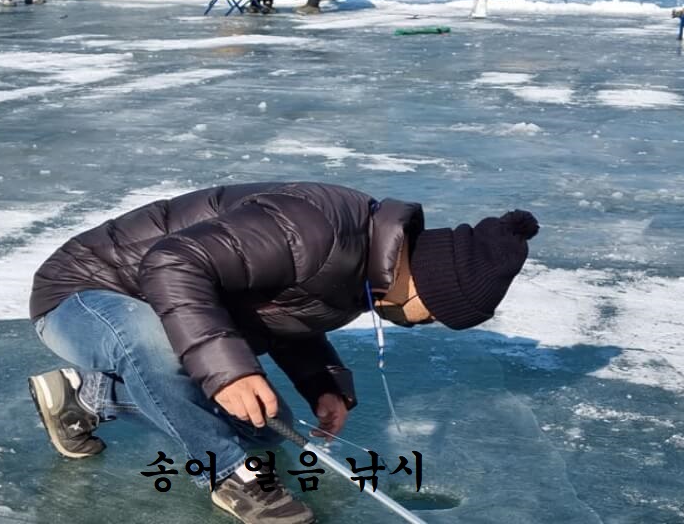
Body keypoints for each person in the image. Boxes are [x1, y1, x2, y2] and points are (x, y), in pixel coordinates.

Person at [27, 182, 539, 524]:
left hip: (166, 310)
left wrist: (323, 383)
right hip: (83, 294)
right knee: (160, 347)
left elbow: (287, 314)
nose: (426, 323)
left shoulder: (368, 266)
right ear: (432, 284)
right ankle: (226, 474)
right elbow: (171, 262)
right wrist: (227, 376)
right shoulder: (316, 226)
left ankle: (88, 399)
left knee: (265, 427)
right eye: (437, 313)